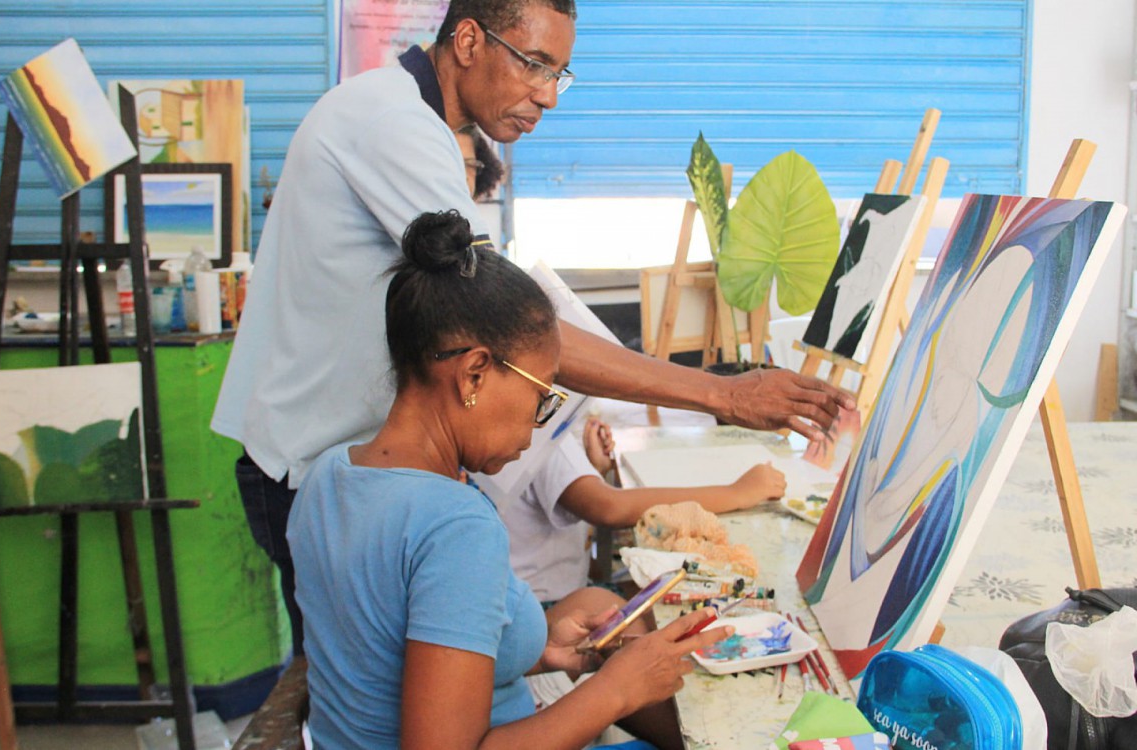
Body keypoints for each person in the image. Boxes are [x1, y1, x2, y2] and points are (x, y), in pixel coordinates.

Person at [213, 0, 853, 655]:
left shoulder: (398, 112)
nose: (547, 96)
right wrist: (720, 393)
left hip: (340, 468)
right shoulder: (394, 124)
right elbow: (505, 323)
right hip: (311, 472)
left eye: (560, 74)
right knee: (374, 699)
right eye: (533, 65)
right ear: (467, 40)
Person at [287, 209, 729, 749]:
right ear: (473, 373)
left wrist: (537, 652)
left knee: (595, 606)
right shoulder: (455, 526)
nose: (538, 420)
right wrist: (615, 691)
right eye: (540, 395)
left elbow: (380, 653)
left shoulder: (328, 475)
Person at [503, 416, 786, 603]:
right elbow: (609, 507)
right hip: (545, 608)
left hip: (543, 595)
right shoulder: (540, 430)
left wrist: (591, 472)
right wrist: (736, 492)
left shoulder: (532, 425)